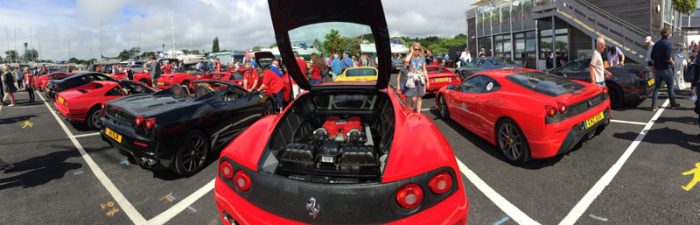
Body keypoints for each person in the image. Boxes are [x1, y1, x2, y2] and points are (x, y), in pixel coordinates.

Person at [650, 26, 681, 111]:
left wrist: (653, 66)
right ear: (669, 34)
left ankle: (653, 106)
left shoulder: (656, 44)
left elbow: (652, 57)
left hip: (657, 69)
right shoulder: (668, 44)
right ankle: (673, 104)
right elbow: (668, 57)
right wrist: (673, 62)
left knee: (657, 87)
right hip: (666, 69)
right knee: (670, 86)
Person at [403, 42, 429, 114]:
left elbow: (424, 70)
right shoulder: (410, 57)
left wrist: (428, 80)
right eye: (415, 49)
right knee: (414, 98)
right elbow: (406, 61)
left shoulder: (422, 58)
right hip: (412, 79)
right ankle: (411, 111)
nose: (417, 51)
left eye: (418, 49)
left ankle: (418, 113)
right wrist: (411, 52)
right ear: (412, 49)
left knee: (419, 97)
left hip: (420, 79)